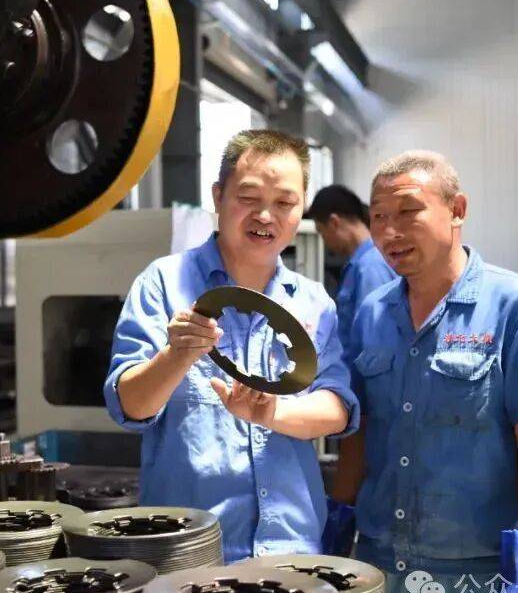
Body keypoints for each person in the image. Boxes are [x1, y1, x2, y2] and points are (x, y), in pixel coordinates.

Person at [103, 129, 360, 562]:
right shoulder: (164, 284)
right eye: (249, 197)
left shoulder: (314, 302)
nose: (266, 215)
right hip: (189, 550)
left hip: (292, 549)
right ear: (218, 197)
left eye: (285, 202)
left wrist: (272, 413)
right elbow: (129, 404)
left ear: (301, 209)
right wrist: (177, 356)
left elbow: (337, 408)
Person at [344, 151, 518, 593]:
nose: (390, 231)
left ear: (457, 210)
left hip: (475, 577)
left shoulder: (517, 308)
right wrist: (338, 529)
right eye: (379, 217)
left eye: (408, 211)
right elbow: (360, 434)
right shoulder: (372, 314)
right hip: (382, 569)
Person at [304, 185, 396, 529]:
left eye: (322, 232)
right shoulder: (364, 263)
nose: (326, 242)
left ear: (335, 222)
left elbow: (375, 342)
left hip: (366, 395)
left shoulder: (370, 266)